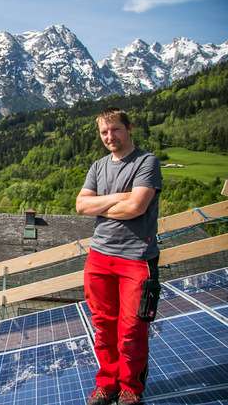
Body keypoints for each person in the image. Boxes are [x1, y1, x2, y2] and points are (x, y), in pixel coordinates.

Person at [76, 107, 162, 405]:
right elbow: (81, 206)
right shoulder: (98, 166)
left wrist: (100, 204)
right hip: (99, 257)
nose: (110, 137)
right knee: (103, 326)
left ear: (129, 128)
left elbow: (136, 208)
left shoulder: (147, 162)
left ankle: (130, 389)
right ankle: (107, 384)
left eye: (115, 130)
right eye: (104, 132)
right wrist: (118, 197)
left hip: (136, 259)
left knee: (132, 330)